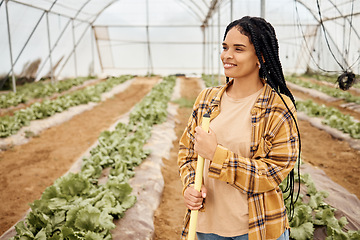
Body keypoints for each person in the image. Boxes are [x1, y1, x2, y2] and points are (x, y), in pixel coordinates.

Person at [177, 16, 300, 240]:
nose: (227, 55)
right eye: (225, 47)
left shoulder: (278, 108)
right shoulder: (206, 98)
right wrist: (189, 186)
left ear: (260, 57)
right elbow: (187, 153)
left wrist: (216, 155)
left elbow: (271, 174)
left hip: (255, 228)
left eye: (239, 49)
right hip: (205, 227)